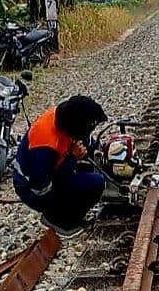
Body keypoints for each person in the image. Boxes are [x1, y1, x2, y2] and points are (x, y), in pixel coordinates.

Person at [12, 95, 107, 238]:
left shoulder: (67, 118)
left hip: (52, 169)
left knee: (90, 170)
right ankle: (58, 219)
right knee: (95, 183)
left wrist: (100, 150)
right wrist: (73, 158)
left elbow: (83, 140)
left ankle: (63, 210)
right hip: (32, 187)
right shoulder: (44, 145)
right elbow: (41, 189)